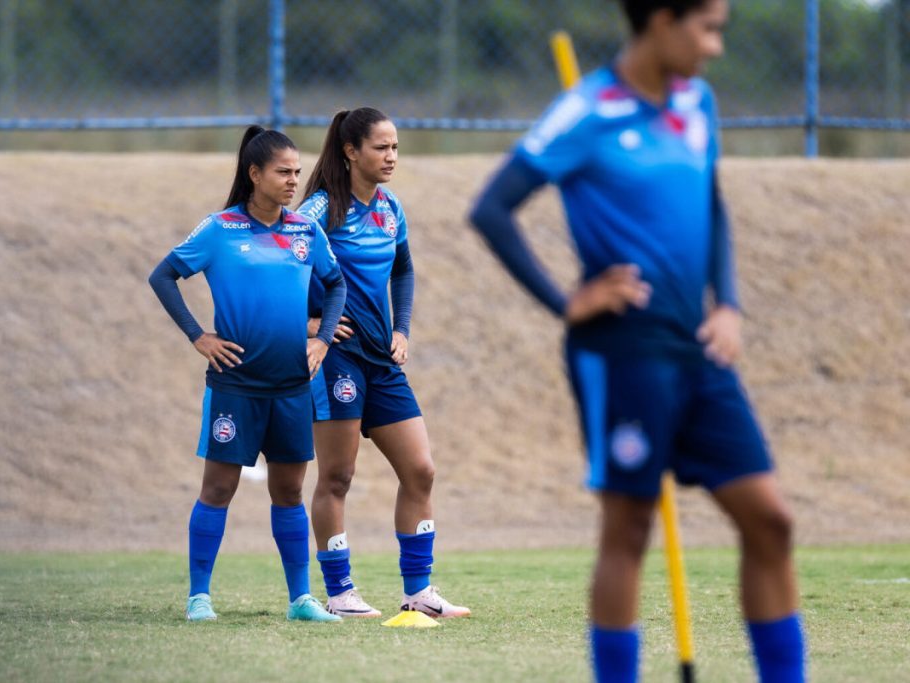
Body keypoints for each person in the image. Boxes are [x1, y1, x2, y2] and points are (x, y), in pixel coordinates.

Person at [469, 1, 805, 680]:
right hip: (621, 351)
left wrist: (730, 304)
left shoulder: (697, 101)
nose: (715, 47)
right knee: (629, 530)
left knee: (771, 522)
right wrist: (567, 301)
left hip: (697, 351)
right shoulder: (587, 109)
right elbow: (492, 208)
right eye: (706, 27)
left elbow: (711, 202)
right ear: (660, 19)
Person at [149, 125, 346, 624]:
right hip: (236, 385)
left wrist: (321, 341)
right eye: (283, 172)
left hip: (292, 387)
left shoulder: (305, 229)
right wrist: (199, 336)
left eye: (297, 173)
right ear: (254, 173)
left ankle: (301, 600)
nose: (292, 181)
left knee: (289, 492)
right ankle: (199, 597)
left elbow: (336, 281)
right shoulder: (220, 229)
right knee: (218, 489)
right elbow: (164, 275)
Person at [296, 108, 469, 619]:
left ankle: (418, 592)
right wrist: (308, 326)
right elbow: (278, 269)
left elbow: (405, 271)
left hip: (382, 361)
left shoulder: (391, 207)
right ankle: (341, 594)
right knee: (338, 477)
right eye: (381, 147)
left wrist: (402, 329)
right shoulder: (318, 212)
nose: (391, 156)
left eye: (395, 147)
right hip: (338, 359)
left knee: (421, 470)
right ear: (352, 151)